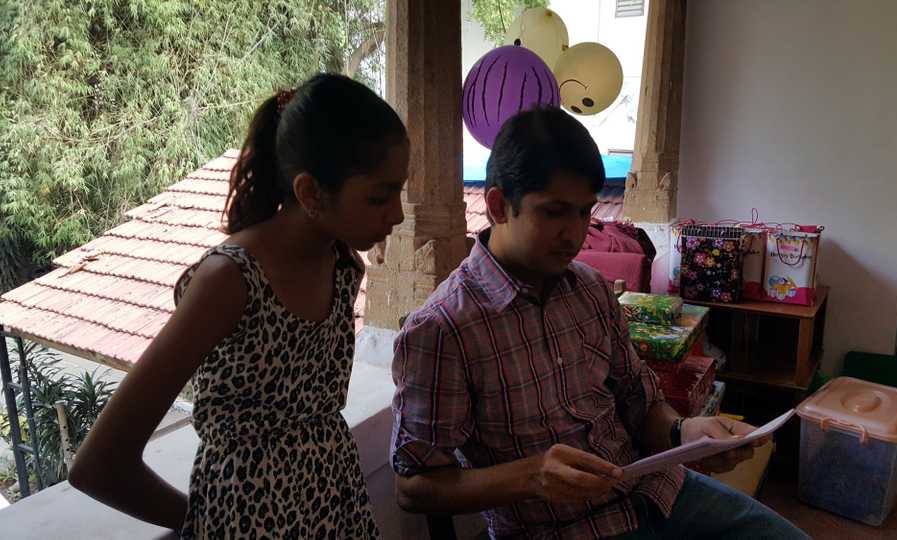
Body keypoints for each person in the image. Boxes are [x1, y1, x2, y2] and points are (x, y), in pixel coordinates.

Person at [390, 107, 809, 539]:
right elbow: (415, 487)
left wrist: (685, 433)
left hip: (655, 492)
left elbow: (639, 402)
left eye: (583, 211)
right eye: (554, 212)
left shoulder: (590, 290)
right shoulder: (443, 328)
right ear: (498, 205)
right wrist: (531, 476)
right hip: (562, 529)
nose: (574, 233)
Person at [69, 73, 408, 539]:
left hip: (338, 514)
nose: (397, 215)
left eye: (399, 192)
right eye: (379, 196)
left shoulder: (343, 265)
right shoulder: (229, 282)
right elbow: (98, 464)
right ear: (310, 193)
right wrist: (209, 523)